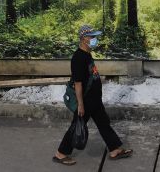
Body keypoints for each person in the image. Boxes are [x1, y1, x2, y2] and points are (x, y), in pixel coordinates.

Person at [53, 25, 132, 166]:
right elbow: (78, 83)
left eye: (96, 37)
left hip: (94, 100)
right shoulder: (78, 58)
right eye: (92, 37)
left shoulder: (87, 54)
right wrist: (81, 105)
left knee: (104, 123)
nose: (95, 39)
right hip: (86, 101)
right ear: (84, 39)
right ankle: (60, 154)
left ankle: (114, 149)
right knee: (76, 126)